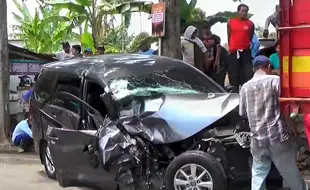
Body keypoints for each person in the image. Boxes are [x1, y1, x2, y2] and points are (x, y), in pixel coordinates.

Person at [239, 55, 307, 190]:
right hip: (277, 138)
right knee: (291, 175)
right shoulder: (275, 81)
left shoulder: (245, 87)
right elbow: (286, 108)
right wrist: (293, 128)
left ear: (254, 69)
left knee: (258, 175)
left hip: (257, 140)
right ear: (269, 67)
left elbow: (243, 113)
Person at [227, 4, 254, 91]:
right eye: (242, 11)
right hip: (234, 52)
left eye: (246, 11)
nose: (244, 13)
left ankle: (246, 92)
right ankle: (234, 94)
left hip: (245, 52)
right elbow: (229, 35)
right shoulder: (231, 22)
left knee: (247, 74)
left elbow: (250, 36)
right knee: (234, 74)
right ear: (238, 11)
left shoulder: (250, 24)